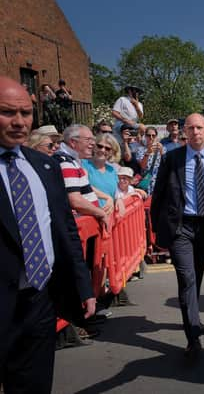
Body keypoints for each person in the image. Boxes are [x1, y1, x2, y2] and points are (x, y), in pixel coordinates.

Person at [0, 75, 95, 393]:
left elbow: (66, 231)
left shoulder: (45, 166)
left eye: (25, 114)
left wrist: (84, 286)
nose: (18, 122)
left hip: (39, 304)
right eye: (7, 112)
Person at [150, 113, 204, 360]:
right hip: (180, 227)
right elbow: (158, 194)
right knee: (186, 279)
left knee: (197, 276)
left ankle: (193, 319)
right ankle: (192, 337)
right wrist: (157, 231)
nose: (195, 132)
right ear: (184, 131)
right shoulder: (172, 158)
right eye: (190, 128)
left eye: (199, 127)